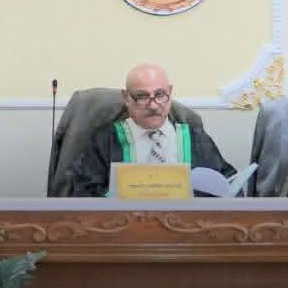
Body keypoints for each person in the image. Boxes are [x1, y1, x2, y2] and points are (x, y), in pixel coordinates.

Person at [69, 64, 234, 197]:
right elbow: (84, 193)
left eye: (160, 95)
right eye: (142, 97)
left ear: (170, 92)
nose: (153, 106)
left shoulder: (195, 139)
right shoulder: (105, 140)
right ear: (126, 98)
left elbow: (228, 184)